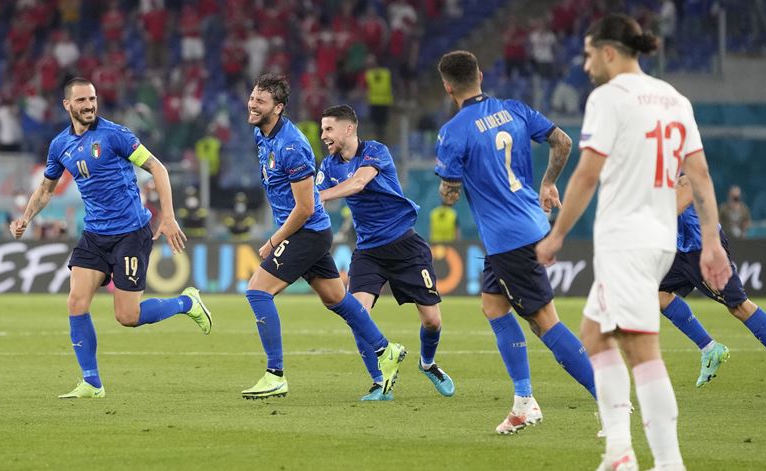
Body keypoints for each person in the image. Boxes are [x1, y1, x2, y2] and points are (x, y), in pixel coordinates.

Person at [536, 15, 731, 471]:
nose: (584, 66)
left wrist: (557, 234)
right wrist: (711, 241)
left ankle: (667, 461)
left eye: (587, 54)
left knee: (641, 349)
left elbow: (586, 173)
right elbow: (698, 175)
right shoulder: (674, 98)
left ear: (608, 51)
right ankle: (619, 451)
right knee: (595, 334)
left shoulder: (609, 98)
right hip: (658, 237)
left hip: (627, 239)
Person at [9, 77, 212, 399]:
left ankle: (187, 302)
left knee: (127, 317)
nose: (89, 105)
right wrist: (26, 218)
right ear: (67, 105)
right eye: (81, 101)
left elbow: (158, 168)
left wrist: (169, 216)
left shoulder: (116, 135)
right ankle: (91, 382)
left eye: (92, 99)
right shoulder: (60, 145)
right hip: (94, 235)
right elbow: (46, 189)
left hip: (131, 233)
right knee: (76, 302)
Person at [435, 50, 596, 434]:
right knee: (493, 306)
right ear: (481, 75)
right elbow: (563, 142)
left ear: (447, 87)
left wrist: (451, 183)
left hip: (509, 238)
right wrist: (548, 182)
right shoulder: (515, 109)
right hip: (527, 225)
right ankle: (524, 402)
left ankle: (609, 396)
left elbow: (449, 194)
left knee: (544, 322)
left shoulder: (454, 131)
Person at [242, 74, 405, 400]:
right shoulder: (263, 136)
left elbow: (305, 208)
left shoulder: (293, 146)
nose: (251, 104)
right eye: (252, 98)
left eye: (260, 101)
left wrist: (274, 240)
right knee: (337, 300)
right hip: (308, 232)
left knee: (257, 292)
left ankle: (275, 375)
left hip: (305, 232)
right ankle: (384, 355)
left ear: (278, 107)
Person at [317, 104, 455, 401]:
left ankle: (428, 364)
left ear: (349, 128)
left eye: (329, 129)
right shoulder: (327, 166)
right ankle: (381, 382)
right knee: (358, 314)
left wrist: (320, 196)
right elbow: (312, 202)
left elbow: (358, 183)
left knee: (432, 321)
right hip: (368, 251)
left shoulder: (375, 151)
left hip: (405, 246)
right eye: (322, 129)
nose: (323, 135)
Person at [659, 175, 766, 396]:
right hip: (682, 250)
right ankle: (710, 349)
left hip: (706, 249)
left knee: (738, 306)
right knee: (658, 295)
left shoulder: (687, 175)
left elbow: (675, 207)